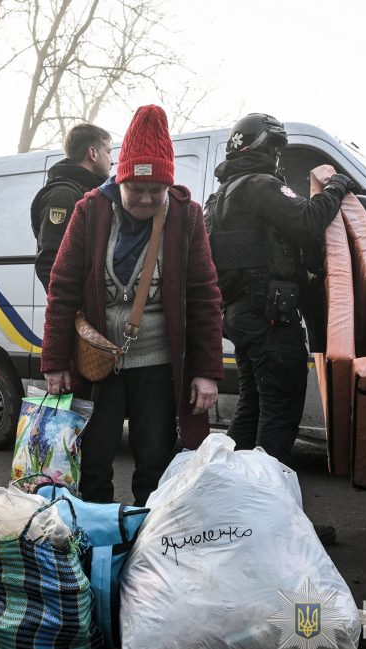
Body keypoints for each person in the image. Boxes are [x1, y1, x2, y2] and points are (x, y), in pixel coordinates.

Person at [40, 104, 224, 507]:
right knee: (93, 460)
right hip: (96, 363)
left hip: (158, 365)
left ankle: (147, 547)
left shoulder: (187, 216)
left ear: (167, 186)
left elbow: (205, 294)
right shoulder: (89, 211)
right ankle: (97, 542)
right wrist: (54, 362)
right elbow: (63, 287)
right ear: (119, 180)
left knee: (155, 461)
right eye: (135, 189)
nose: (144, 198)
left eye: (154, 191)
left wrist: (207, 372)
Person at [206, 113, 353, 544]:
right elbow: (308, 221)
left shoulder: (221, 195)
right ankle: (275, 524)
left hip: (242, 317)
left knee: (251, 412)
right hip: (271, 319)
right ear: (267, 148)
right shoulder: (261, 186)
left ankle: (232, 511)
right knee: (279, 416)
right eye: (276, 148)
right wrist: (338, 187)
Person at [31, 123, 113, 291]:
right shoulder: (63, 195)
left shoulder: (89, 194)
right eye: (109, 152)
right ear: (93, 153)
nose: (112, 161)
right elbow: (51, 262)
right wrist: (74, 312)